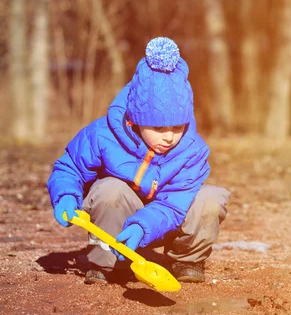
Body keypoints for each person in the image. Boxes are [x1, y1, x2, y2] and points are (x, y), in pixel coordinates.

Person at [47, 37, 230, 284]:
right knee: (109, 189)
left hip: (164, 222)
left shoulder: (192, 151)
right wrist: (66, 195)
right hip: (116, 219)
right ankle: (105, 261)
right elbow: (69, 168)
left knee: (211, 198)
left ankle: (187, 260)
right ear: (135, 120)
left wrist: (142, 227)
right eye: (158, 127)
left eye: (177, 127)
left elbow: (174, 206)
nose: (169, 136)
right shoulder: (104, 135)